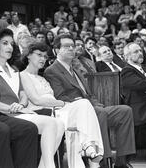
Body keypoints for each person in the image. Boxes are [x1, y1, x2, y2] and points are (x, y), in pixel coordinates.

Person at [44, 34, 136, 168]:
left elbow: (89, 94)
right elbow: (60, 97)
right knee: (100, 113)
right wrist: (89, 106)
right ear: (57, 50)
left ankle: (122, 162)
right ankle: (104, 160)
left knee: (125, 111)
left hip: (92, 107)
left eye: (72, 46)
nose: (71, 48)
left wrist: (96, 104)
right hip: (73, 112)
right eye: (66, 46)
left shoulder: (75, 69)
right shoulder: (52, 71)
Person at [0, 28, 64, 168]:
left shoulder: (14, 69)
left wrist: (21, 104)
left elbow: (23, 94)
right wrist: (12, 108)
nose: (9, 47)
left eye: (11, 44)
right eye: (5, 43)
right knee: (50, 123)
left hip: (20, 111)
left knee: (60, 124)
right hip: (3, 114)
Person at [20, 42, 103, 167]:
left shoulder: (43, 78)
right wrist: (62, 103)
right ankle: (89, 149)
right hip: (42, 113)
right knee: (83, 107)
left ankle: (89, 146)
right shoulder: (23, 75)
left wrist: (61, 104)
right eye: (39, 55)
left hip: (58, 111)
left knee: (84, 105)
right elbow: (36, 100)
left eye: (45, 56)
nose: (43, 59)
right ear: (28, 56)